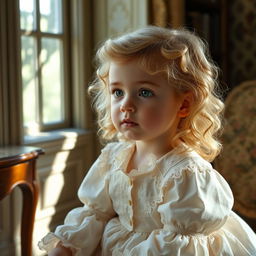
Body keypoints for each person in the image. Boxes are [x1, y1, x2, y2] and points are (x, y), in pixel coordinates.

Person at [38, 26, 256, 256]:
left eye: (144, 93)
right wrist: (65, 248)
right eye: (118, 92)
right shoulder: (113, 158)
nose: (125, 105)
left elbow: (177, 247)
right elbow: (94, 214)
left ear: (184, 105)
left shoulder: (186, 174)